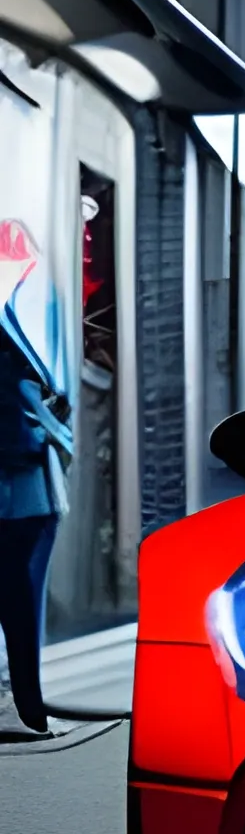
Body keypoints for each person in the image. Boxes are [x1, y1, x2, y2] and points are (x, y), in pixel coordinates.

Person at [0, 281, 72, 736]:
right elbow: (16, 435)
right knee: (21, 606)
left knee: (19, 604)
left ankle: (30, 706)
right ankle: (31, 709)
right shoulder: (13, 343)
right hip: (23, 499)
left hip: (26, 498)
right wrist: (43, 431)